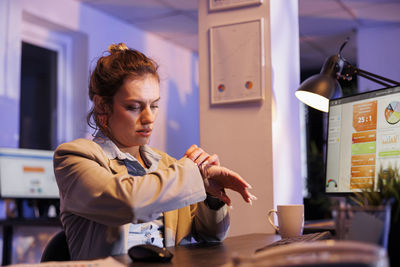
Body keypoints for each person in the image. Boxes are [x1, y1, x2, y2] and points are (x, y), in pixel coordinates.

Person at [53, 43, 256, 260]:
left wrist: (211, 197)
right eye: (134, 107)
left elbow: (210, 237)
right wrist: (194, 171)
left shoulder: (168, 164)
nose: (149, 118)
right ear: (102, 106)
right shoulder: (73, 157)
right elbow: (128, 202)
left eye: (154, 105)